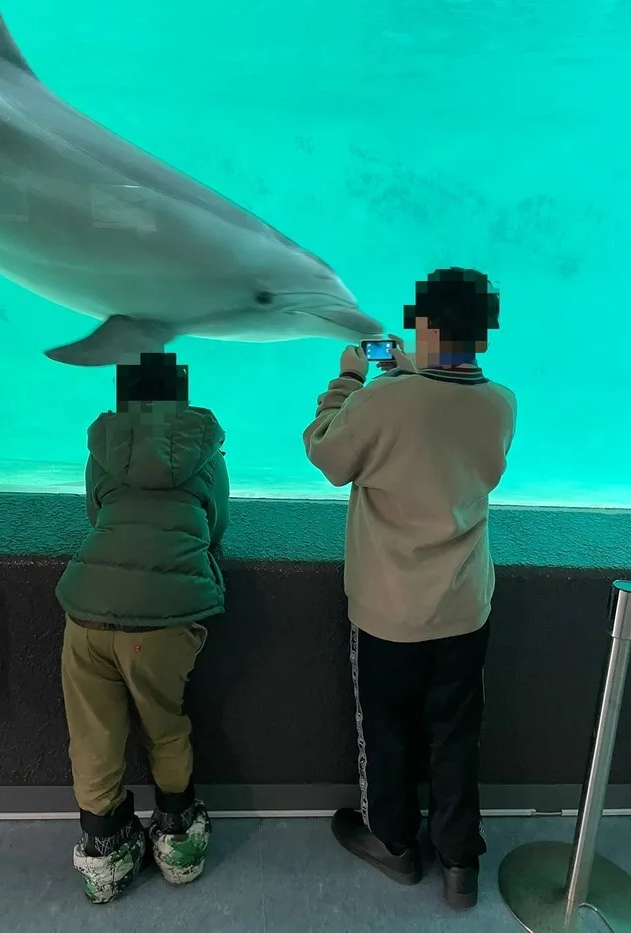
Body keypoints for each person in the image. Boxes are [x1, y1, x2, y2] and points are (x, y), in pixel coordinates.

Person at [303, 268, 517, 910]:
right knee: (457, 732)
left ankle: (393, 843)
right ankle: (460, 864)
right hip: (462, 606)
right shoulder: (500, 402)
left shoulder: (382, 400)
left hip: (388, 613)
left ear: (421, 324)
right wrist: (408, 374)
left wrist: (351, 378)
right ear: (483, 333)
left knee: (387, 731)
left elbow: (326, 455)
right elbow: (439, 424)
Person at [55, 351, 229, 904]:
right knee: (165, 725)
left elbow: (94, 512)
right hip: (162, 620)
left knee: (93, 736)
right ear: (180, 392)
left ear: (124, 394)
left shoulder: (103, 449)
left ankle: (104, 856)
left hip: (86, 610)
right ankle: (178, 844)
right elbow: (216, 521)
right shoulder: (203, 450)